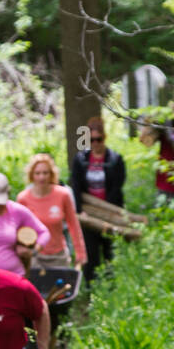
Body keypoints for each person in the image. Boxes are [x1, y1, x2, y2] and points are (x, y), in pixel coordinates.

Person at [70, 117, 126, 283]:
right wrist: (80, 211)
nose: (95, 143)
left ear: (104, 137)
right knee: (91, 254)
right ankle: (91, 287)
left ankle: (111, 286)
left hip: (110, 213)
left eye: (98, 139)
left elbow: (117, 187)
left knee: (110, 251)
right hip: (88, 215)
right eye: (91, 140)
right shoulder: (81, 160)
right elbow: (76, 185)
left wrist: (106, 211)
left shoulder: (115, 159)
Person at [16, 153, 87, 273]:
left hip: (58, 255)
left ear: (52, 174)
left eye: (45, 173)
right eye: (37, 173)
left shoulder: (63, 194)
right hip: (34, 256)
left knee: (60, 290)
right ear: (32, 175)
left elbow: (73, 225)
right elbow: (17, 229)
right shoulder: (23, 198)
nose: (41, 177)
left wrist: (80, 253)